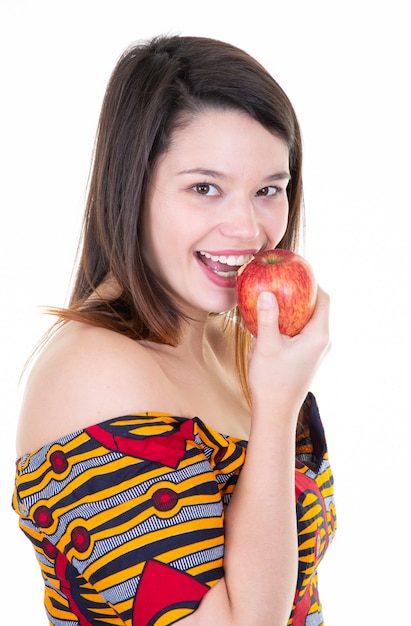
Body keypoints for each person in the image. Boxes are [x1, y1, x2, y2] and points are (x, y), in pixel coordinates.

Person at [12, 34, 336, 625]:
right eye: (204, 188)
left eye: (269, 190)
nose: (247, 228)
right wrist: (277, 408)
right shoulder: (97, 373)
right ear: (132, 190)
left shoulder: (229, 339)